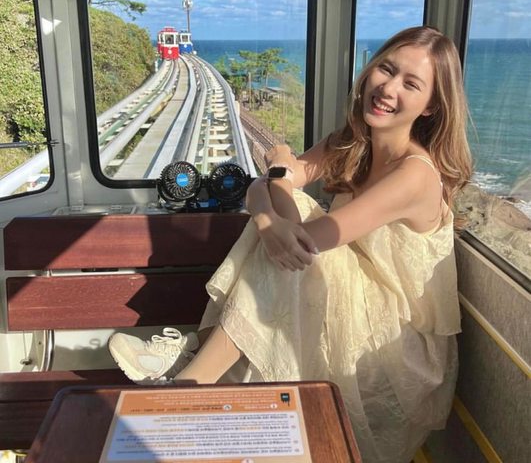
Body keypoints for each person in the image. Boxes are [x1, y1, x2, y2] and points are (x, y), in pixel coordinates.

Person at [108, 26, 472, 463]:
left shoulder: (415, 174)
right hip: (350, 309)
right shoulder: (352, 143)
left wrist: (272, 195)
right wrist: (267, 207)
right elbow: (267, 187)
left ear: (431, 106)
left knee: (293, 232)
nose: (388, 88)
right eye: (387, 69)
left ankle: (190, 384)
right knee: (285, 225)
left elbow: (303, 238)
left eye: (410, 84)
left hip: (396, 349)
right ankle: (197, 374)